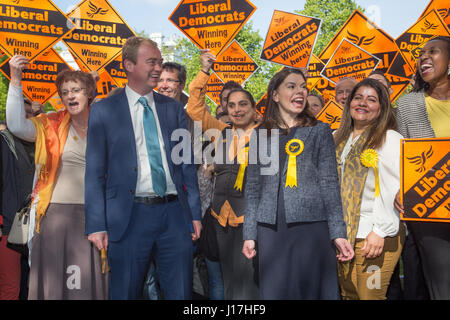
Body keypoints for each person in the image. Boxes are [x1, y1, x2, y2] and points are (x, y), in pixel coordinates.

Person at [84, 36, 202, 300]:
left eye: (159, 62)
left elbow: (186, 165)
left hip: (174, 216)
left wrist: (194, 213)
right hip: (128, 217)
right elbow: (94, 173)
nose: (158, 68)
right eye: (151, 62)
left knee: (181, 292)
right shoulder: (103, 111)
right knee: (124, 293)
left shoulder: (173, 109)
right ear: (129, 65)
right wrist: (96, 225)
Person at [242, 67, 354, 300]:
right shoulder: (260, 134)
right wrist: (250, 233)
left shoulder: (320, 130)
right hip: (270, 230)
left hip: (312, 228)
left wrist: (338, 232)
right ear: (275, 94)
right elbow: (252, 187)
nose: (300, 92)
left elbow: (329, 183)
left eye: (303, 87)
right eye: (291, 86)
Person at [5, 55, 108, 299]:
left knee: (86, 286)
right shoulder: (50, 124)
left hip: (95, 218)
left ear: (89, 93)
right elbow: (16, 125)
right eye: (64, 92)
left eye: (76, 90)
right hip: (54, 218)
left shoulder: (107, 124)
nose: (70, 96)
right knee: (53, 286)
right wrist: (16, 80)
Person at [187, 49, 259, 300]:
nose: (237, 110)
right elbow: (195, 112)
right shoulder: (221, 131)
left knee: (250, 287)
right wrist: (204, 71)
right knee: (226, 286)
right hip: (221, 222)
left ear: (254, 108)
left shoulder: (267, 134)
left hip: (251, 224)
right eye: (231, 105)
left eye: (243, 104)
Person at [334, 78, 405, 300]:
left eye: (371, 99)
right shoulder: (337, 138)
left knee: (370, 297)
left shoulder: (390, 139)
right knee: (349, 296)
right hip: (344, 236)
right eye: (358, 97)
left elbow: (394, 189)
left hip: (375, 235)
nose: (363, 103)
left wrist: (380, 231)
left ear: (382, 108)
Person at [394, 36, 450, 300]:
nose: (423, 57)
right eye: (421, 53)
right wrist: (401, 189)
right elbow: (399, 153)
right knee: (442, 285)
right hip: (430, 209)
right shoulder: (407, 105)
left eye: (433, 51)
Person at [0, 97, 41, 300]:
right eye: (20, 114)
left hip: (35, 225)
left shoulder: (41, 144)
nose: (25, 118)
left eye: (29, 115)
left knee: (31, 284)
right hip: (8, 225)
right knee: (10, 286)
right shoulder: (3, 143)